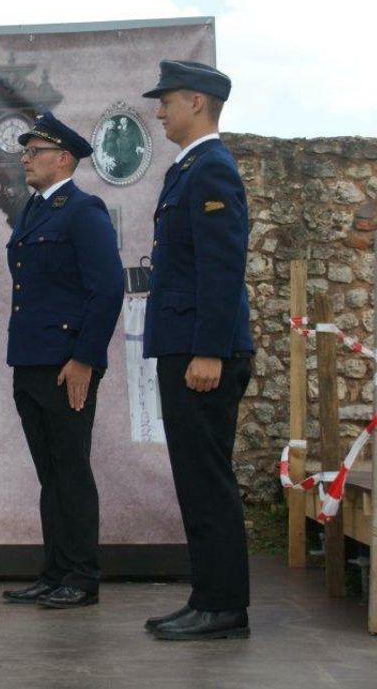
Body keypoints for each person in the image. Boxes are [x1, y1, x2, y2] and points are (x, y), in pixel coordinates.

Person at [141, 60, 254, 640]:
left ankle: (224, 605)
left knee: (207, 479)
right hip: (185, 345)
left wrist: (209, 350)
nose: (158, 112)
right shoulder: (190, 169)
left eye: (166, 101)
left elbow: (222, 265)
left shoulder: (210, 169)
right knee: (195, 477)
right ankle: (209, 597)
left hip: (201, 351)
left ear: (195, 102)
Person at [1, 112, 123, 609]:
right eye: (25, 152)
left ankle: (81, 576)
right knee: (49, 472)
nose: (26, 158)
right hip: (30, 361)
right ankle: (54, 572)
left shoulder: (83, 210)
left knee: (71, 469)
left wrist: (85, 359)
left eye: (35, 151)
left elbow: (108, 287)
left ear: (64, 158)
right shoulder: (33, 211)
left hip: (65, 365)